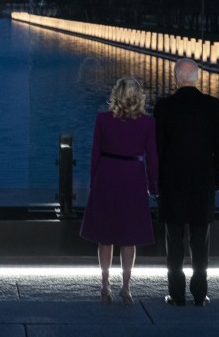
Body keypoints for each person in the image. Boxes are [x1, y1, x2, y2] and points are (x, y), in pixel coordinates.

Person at [153, 58, 219, 307]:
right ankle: (199, 293)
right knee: (200, 241)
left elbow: (157, 149)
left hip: (171, 183)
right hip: (201, 183)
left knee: (174, 242)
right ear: (198, 77)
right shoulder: (212, 106)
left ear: (175, 77)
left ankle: (176, 293)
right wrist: (216, 180)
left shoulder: (163, 107)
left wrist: (155, 182)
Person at [79, 77, 158, 306]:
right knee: (129, 237)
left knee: (105, 237)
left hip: (107, 175)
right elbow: (152, 157)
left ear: (116, 94)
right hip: (133, 177)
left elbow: (95, 153)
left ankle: (105, 285)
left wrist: (94, 181)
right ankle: (126, 287)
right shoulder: (147, 123)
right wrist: (153, 184)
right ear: (138, 96)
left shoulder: (103, 119)